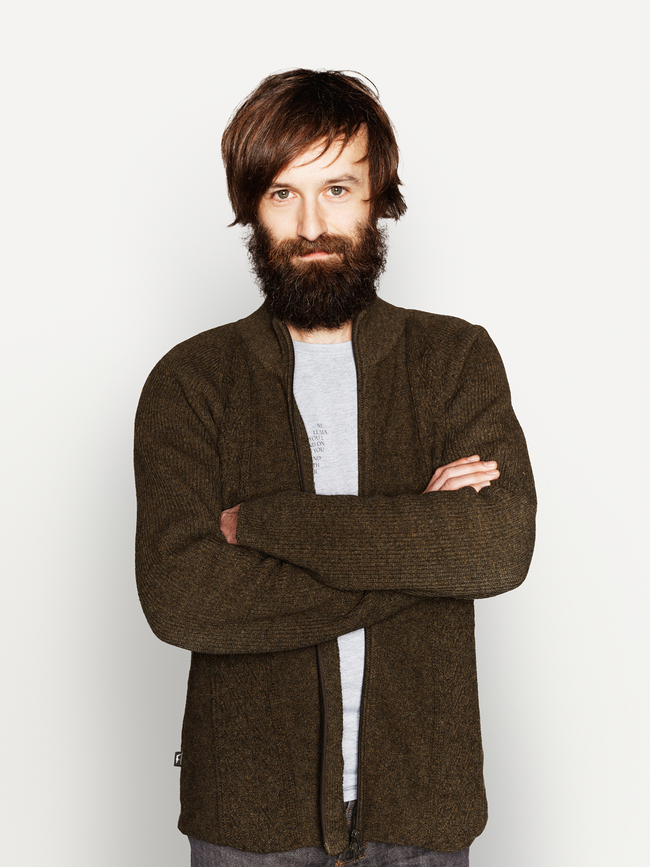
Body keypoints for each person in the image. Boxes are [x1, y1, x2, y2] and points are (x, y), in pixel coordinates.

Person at [134, 69, 536, 867]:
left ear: (378, 197)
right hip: (248, 824)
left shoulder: (454, 360)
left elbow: (497, 548)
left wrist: (267, 522)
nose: (312, 224)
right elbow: (183, 599)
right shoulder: (191, 381)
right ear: (252, 207)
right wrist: (422, 543)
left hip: (423, 812)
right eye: (284, 194)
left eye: (339, 189)